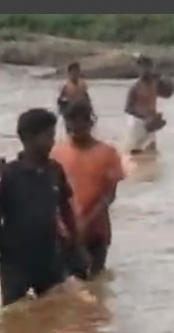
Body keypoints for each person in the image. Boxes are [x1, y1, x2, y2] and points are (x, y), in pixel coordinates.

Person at [0, 108, 87, 306]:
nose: (52, 142)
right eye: (48, 136)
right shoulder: (8, 175)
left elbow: (66, 210)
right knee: (15, 314)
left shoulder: (55, 170)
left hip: (50, 258)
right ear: (28, 138)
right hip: (15, 263)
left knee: (53, 311)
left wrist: (77, 247)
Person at [52, 101, 126, 278]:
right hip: (65, 231)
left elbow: (109, 196)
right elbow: (51, 194)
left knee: (94, 281)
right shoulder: (56, 153)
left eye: (81, 122)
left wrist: (85, 223)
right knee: (67, 284)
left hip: (97, 230)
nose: (76, 127)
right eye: (71, 122)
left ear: (91, 122)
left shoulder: (108, 153)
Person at [124, 54, 167, 155]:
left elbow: (168, 91)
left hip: (151, 124)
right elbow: (128, 108)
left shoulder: (155, 84)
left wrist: (155, 118)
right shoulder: (135, 87)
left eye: (148, 67)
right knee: (135, 153)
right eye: (142, 68)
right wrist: (145, 117)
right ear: (138, 69)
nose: (145, 70)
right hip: (136, 124)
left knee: (152, 153)